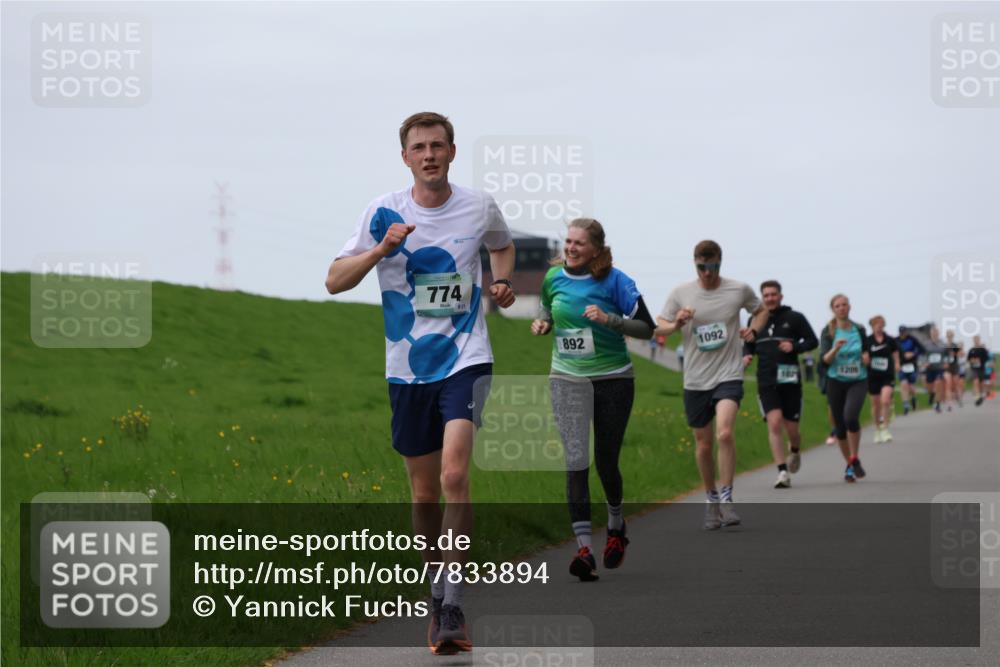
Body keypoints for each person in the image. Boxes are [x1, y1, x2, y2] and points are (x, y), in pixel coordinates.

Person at [325, 112, 516, 656]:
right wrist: (381, 250)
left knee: (456, 471)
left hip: (466, 355)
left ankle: (452, 602)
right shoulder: (381, 212)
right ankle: (437, 590)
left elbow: (501, 245)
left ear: (452, 152)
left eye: (438, 145)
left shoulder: (479, 205)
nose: (429, 154)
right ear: (405, 157)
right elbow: (335, 281)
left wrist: (499, 281)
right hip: (407, 368)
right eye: (419, 147)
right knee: (425, 491)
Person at [531, 218, 655, 582]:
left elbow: (647, 327)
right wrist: (544, 324)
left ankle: (616, 526)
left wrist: (609, 319)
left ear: (597, 249)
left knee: (605, 460)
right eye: (568, 241)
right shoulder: (553, 278)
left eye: (579, 244)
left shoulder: (616, 281)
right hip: (566, 378)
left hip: (613, 379)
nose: (570, 248)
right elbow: (545, 307)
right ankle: (584, 549)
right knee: (576, 460)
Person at [656, 240, 767, 529]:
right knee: (703, 445)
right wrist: (677, 322)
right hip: (695, 379)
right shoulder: (681, 293)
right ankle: (711, 500)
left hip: (728, 374)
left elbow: (762, 309)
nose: (707, 272)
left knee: (725, 433)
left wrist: (753, 330)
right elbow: (660, 325)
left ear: (721, 262)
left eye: (713, 266)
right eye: (702, 267)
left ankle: (728, 499)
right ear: (695, 264)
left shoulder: (737, 289)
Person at [742, 280, 818, 488]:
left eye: (773, 294)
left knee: (792, 430)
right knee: (774, 423)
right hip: (766, 380)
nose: (770, 298)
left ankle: (794, 449)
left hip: (790, 380)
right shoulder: (754, 319)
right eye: (766, 295)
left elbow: (813, 341)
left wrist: (794, 346)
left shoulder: (795, 318)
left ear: (781, 296)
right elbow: (748, 345)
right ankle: (782, 472)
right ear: (761, 298)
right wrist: (747, 356)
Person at [819, 294, 870, 482]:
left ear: (850, 307)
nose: (841, 308)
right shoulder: (828, 331)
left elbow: (866, 350)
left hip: (858, 379)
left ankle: (854, 456)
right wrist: (835, 348)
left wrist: (866, 357)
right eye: (838, 305)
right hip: (836, 381)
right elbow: (824, 360)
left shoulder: (859, 329)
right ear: (833, 309)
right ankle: (850, 464)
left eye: (844, 305)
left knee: (850, 417)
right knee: (839, 427)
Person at [866, 316, 900, 443]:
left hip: (887, 374)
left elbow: (895, 352)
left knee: (885, 401)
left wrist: (897, 363)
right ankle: (877, 429)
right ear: (872, 326)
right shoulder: (868, 341)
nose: (879, 327)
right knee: (875, 404)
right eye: (877, 325)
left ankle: (885, 429)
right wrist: (865, 360)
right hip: (873, 375)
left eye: (881, 325)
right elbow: (864, 355)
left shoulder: (889, 340)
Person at [897, 327, 922, 415]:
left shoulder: (912, 339)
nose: (903, 334)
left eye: (904, 332)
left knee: (911, 386)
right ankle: (906, 405)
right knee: (903, 384)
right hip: (901, 366)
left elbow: (921, 349)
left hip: (912, 365)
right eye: (901, 333)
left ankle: (914, 398)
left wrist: (913, 354)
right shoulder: (896, 340)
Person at [924, 326, 950, 413]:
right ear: (931, 334)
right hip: (930, 368)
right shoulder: (926, 344)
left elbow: (947, 355)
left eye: (936, 332)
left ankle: (938, 404)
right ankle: (931, 394)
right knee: (929, 386)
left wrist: (946, 363)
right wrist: (924, 363)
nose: (935, 334)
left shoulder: (943, 344)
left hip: (939, 368)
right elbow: (922, 355)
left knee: (938, 383)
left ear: (938, 333)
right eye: (933, 332)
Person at [967, 335, 992, 406]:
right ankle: (977, 397)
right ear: (973, 340)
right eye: (975, 339)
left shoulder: (983, 349)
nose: (976, 341)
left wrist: (980, 360)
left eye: (977, 339)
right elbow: (968, 359)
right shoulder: (971, 350)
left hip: (981, 369)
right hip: (974, 369)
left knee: (981, 384)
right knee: (975, 381)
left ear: (979, 340)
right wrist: (972, 361)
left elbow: (987, 358)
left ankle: (980, 396)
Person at [945, 330, 964, 408]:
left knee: (955, 384)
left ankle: (958, 398)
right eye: (948, 335)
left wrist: (956, 353)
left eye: (951, 335)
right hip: (947, 367)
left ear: (952, 336)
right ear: (946, 336)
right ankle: (949, 402)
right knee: (948, 384)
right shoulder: (944, 345)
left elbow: (960, 354)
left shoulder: (955, 345)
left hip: (955, 366)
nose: (949, 337)